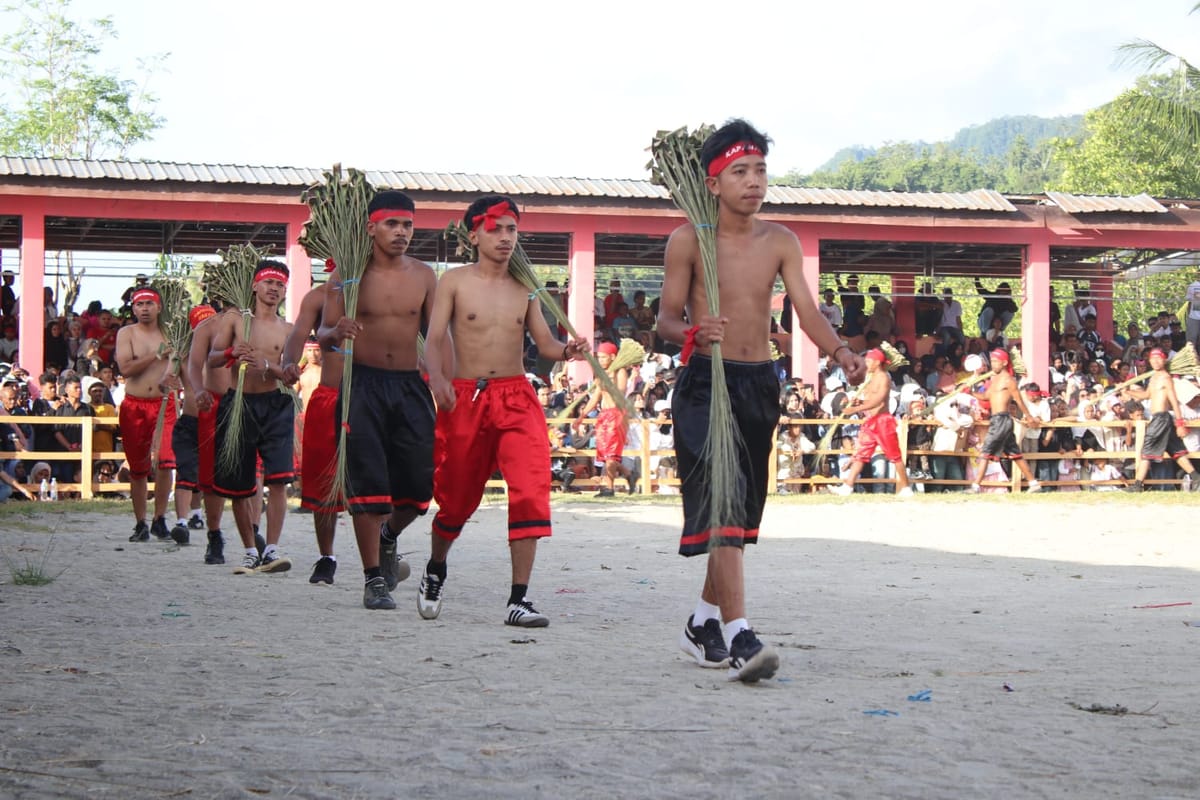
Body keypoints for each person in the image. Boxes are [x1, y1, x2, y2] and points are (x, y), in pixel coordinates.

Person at [657, 119, 866, 682]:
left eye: (760, 171)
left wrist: (841, 350)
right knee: (723, 506)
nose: (754, 182)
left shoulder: (781, 241)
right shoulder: (687, 241)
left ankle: (702, 622)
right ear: (712, 182)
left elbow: (806, 311)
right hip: (706, 380)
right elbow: (665, 322)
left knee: (741, 515)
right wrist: (696, 332)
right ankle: (740, 635)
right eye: (740, 172)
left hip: (757, 383)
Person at [421, 194, 589, 627]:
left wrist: (567, 350)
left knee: (532, 489)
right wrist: (438, 379)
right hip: (465, 399)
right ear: (473, 234)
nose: (505, 237)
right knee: (456, 500)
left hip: (516, 397)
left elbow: (545, 344)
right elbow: (434, 338)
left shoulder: (527, 287)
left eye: (512, 229)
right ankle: (436, 566)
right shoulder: (454, 282)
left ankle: (519, 599)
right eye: (495, 229)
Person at [319, 191, 439, 608]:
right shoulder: (347, 277)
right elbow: (322, 333)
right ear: (371, 227)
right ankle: (373, 579)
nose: (402, 232)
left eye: (407, 224)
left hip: (410, 386)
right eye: (392, 224)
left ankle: (389, 537)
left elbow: (438, 336)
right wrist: (336, 333)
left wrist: (445, 380)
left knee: (420, 488)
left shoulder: (425, 275)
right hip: (362, 386)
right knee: (368, 484)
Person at [208, 261, 295, 574]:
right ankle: (249, 550)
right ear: (255, 286)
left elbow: (288, 375)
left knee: (279, 480)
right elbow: (213, 358)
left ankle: (271, 549)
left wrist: (278, 369)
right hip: (239, 404)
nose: (274, 289)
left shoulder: (288, 329)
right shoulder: (236, 320)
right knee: (239, 483)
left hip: (275, 405)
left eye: (280, 284)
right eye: (268, 282)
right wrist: (232, 353)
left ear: (285, 291)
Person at [284, 280, 353, 588]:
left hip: (373, 394)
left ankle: (384, 546)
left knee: (380, 479)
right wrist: (287, 362)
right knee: (324, 484)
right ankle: (327, 556)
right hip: (329, 397)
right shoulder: (319, 296)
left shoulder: (386, 285)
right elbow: (298, 335)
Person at [114, 286, 178, 542]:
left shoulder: (172, 332)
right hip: (135, 404)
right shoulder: (126, 333)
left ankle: (160, 518)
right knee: (138, 466)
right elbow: (125, 368)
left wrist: (173, 375)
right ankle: (140, 522)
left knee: (166, 461)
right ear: (133, 308)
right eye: (139, 304)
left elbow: (180, 362)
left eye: (149, 304)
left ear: (159, 307)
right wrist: (155, 354)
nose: (144, 309)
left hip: (165, 403)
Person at [186, 303, 235, 565]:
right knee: (212, 474)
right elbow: (194, 366)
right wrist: (198, 390)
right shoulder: (207, 327)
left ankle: (255, 532)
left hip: (249, 401)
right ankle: (214, 533)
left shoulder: (262, 322)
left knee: (253, 471)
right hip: (215, 404)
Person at [830, 349, 912, 497]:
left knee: (894, 455)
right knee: (862, 454)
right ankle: (848, 486)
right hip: (871, 421)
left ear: (877, 362)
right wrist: (859, 401)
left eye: (868, 360)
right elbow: (869, 400)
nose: (866, 363)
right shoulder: (869, 377)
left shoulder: (884, 378)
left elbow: (878, 401)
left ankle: (905, 487)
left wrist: (857, 408)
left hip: (883, 421)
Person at [168, 305, 218, 546]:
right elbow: (166, 378)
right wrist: (168, 370)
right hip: (190, 421)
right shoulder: (184, 355)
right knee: (186, 470)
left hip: (216, 422)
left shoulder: (222, 355)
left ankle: (199, 515)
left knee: (207, 475)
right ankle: (181, 522)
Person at [1125, 348, 1200, 492]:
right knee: (1176, 451)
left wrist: (1179, 423)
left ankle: (1138, 484)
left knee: (1146, 449)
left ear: (1164, 360)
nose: (1155, 361)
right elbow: (1146, 395)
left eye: (1158, 358)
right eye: (1152, 359)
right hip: (1158, 418)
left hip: (1161, 418)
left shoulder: (1166, 377)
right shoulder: (1154, 377)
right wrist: (1127, 391)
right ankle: (1196, 477)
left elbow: (1173, 399)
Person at [967, 349, 1042, 493]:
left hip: (1002, 419)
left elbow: (1018, 400)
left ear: (1004, 362)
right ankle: (1033, 483)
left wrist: (1029, 416)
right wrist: (971, 392)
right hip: (997, 419)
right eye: (992, 361)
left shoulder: (1009, 380)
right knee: (1015, 454)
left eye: (996, 361)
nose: (993, 364)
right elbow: (986, 396)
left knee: (985, 451)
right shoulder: (995, 380)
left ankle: (976, 486)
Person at [574, 341, 633, 496]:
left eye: (603, 357)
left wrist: (607, 380)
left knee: (611, 453)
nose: (599, 360)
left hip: (617, 414)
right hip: (604, 415)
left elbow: (620, 392)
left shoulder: (620, 372)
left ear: (612, 357)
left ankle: (609, 487)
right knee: (603, 452)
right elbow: (595, 397)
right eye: (598, 357)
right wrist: (582, 415)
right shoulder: (602, 373)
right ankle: (628, 473)